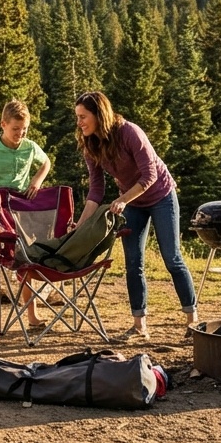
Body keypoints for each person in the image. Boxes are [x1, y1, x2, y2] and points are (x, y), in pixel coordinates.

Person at [73, 91, 197, 339]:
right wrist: (80, 225)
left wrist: (121, 200)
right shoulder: (91, 146)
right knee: (133, 262)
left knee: (172, 258)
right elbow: (96, 191)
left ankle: (192, 320)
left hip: (161, 196)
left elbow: (149, 176)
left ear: (99, 114)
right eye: (77, 117)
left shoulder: (129, 132)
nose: (79, 123)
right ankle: (139, 325)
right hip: (133, 203)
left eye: (83, 116)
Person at [0, 99, 51, 333]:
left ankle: (31, 316)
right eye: (15, 129)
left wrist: (36, 181)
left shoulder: (30, 147)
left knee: (24, 264)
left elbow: (46, 163)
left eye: (24, 129)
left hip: (19, 215)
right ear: (3, 124)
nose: (20, 134)